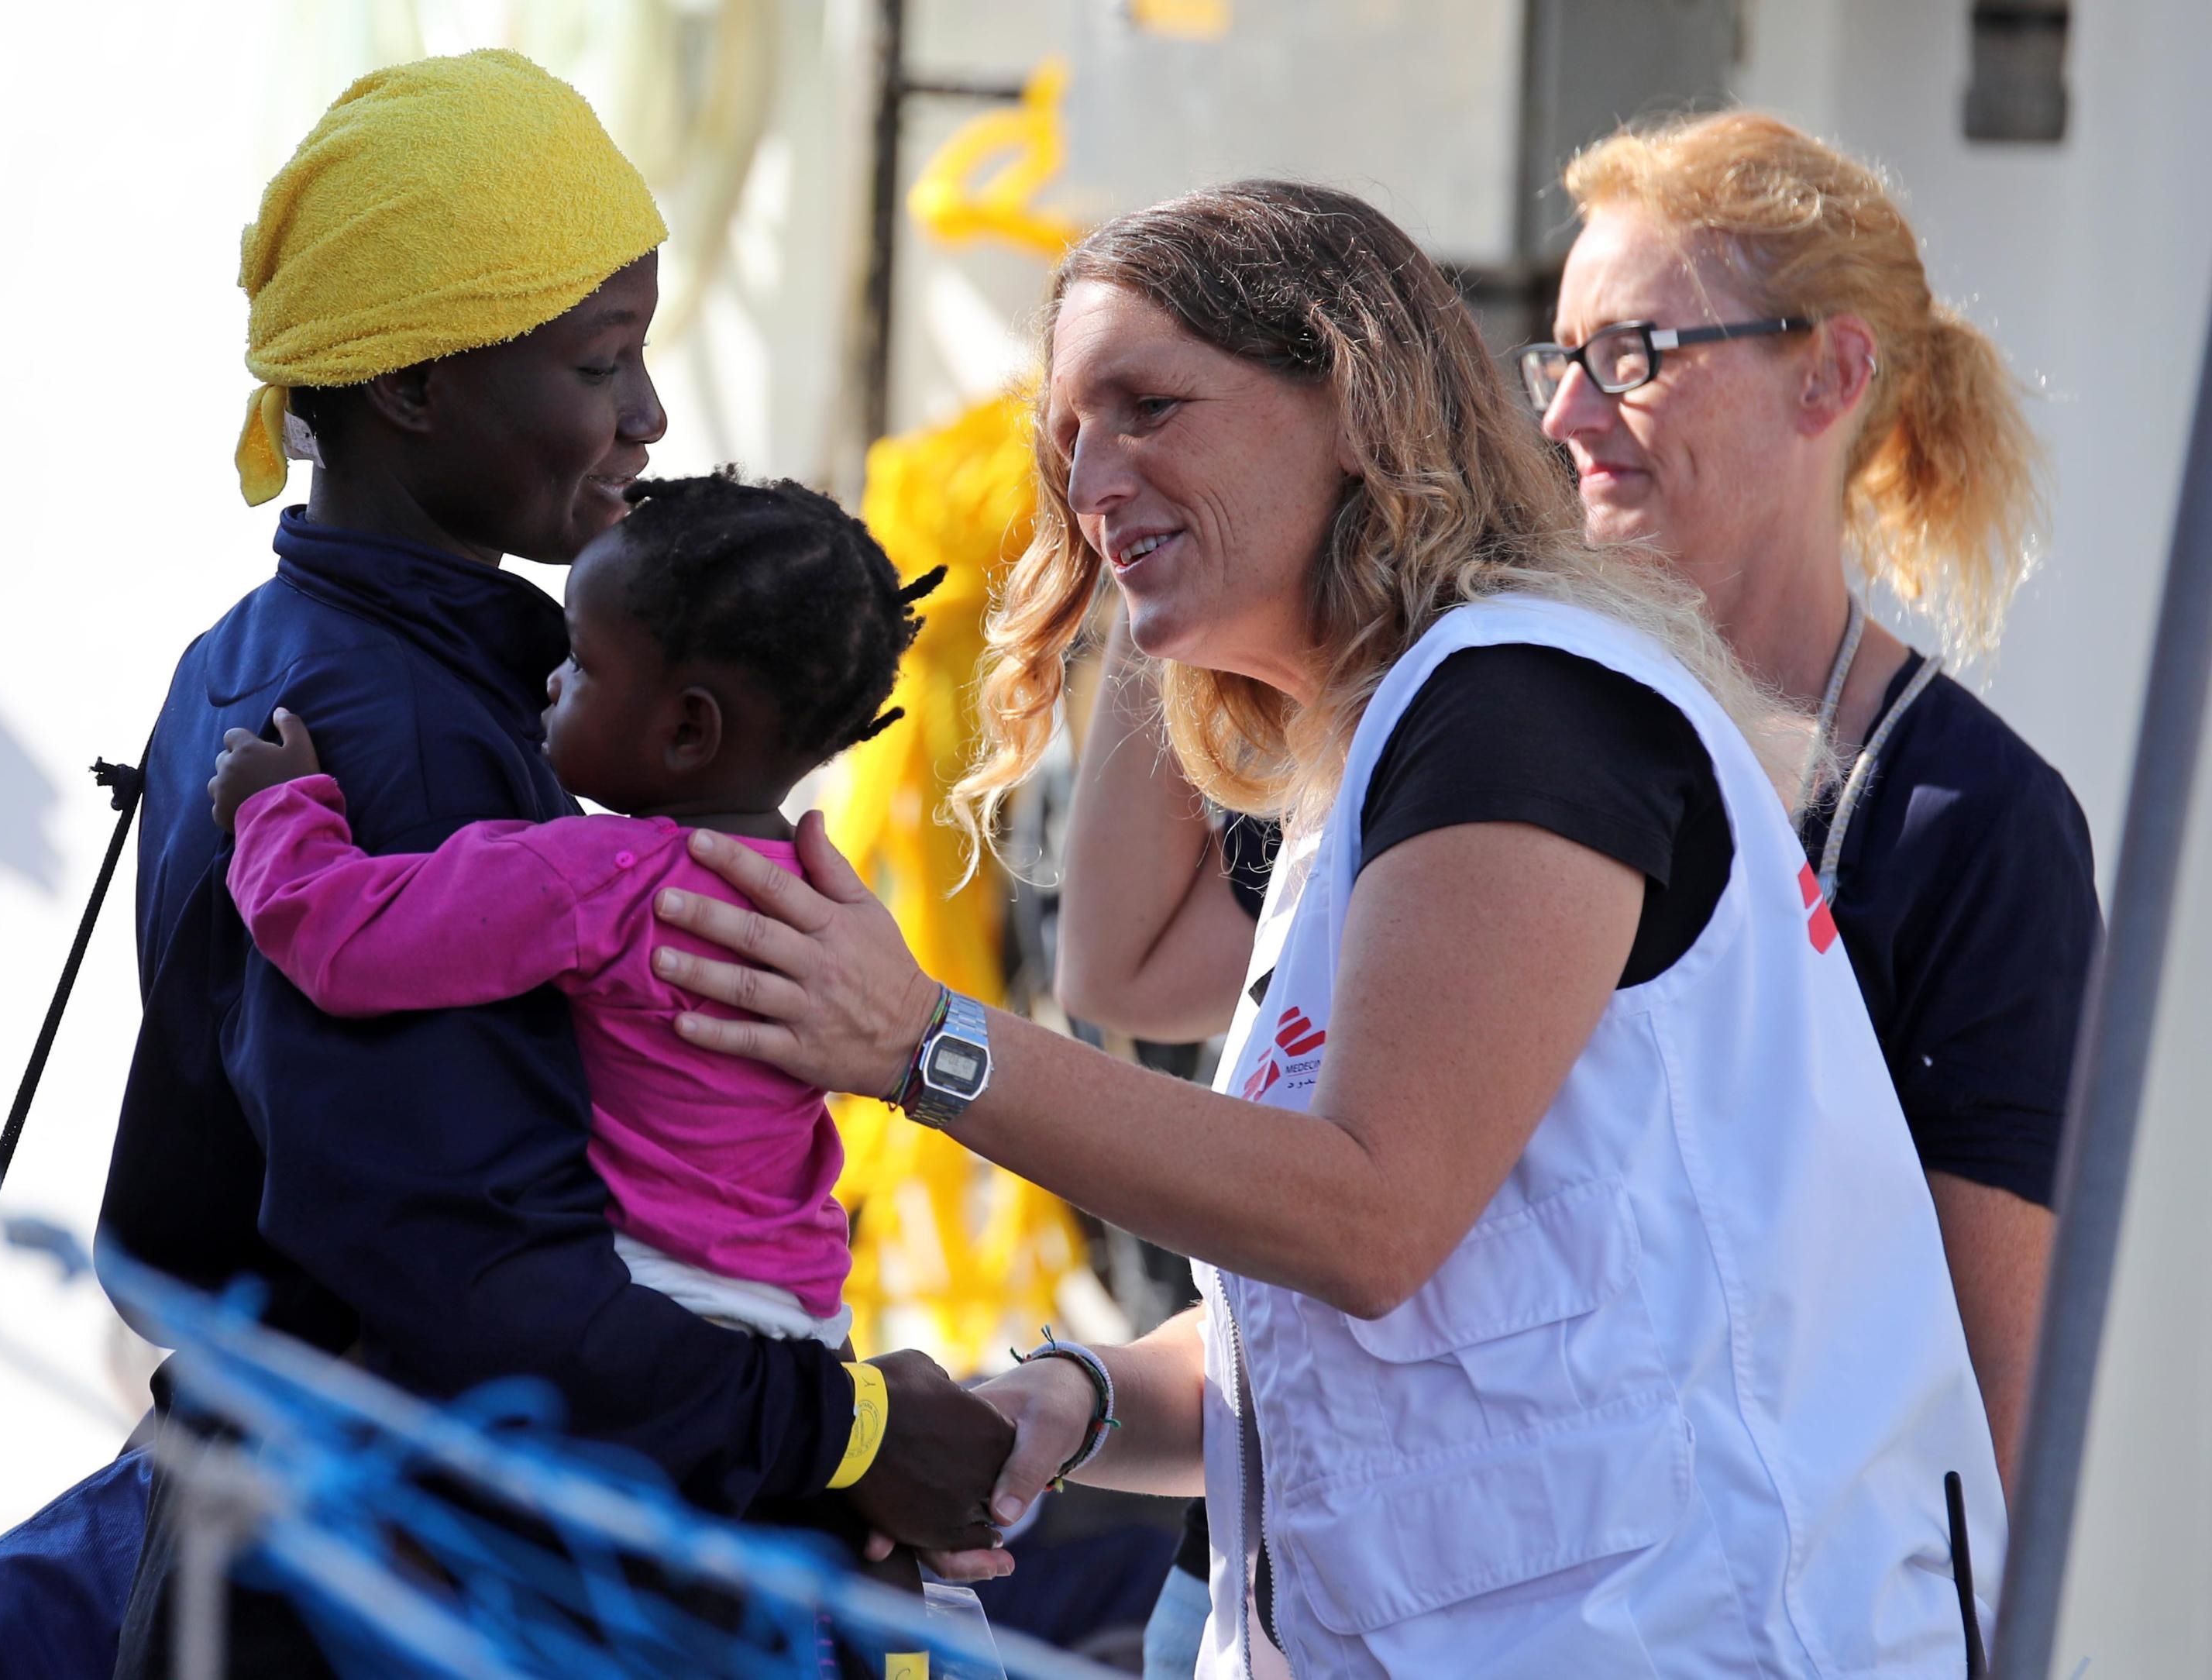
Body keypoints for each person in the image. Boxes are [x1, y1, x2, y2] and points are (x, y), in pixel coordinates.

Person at [642, 179, 2005, 1675]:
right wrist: (1074, 1398)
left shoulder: (1519, 702)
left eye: (1149, 407)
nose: (1086, 478)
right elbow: (1319, 1339)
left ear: (1356, 400)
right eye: (1067, 436)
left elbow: (1367, 1218)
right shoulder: (1373, 763)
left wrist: (924, 1043)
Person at [0, 51, 1008, 1680]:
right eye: (600, 360)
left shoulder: (284, 654)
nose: (648, 414)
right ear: (412, 388)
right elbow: (471, 1275)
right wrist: (845, 1427)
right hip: (410, 1570)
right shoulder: (402, 742)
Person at [1525, 111, 2098, 1492]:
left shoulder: (1973, 822)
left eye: (1631, 355)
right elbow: (1134, 963)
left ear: (1828, 374)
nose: (1565, 415)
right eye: (1562, 357)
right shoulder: (1514, 730)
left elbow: (1994, 1414)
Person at [206, 472, 939, 1355]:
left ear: (688, 731)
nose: (550, 681)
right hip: (807, 1309)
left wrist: (276, 808)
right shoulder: (817, 892)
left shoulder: (598, 877)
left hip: (664, 1305)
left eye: (583, 661)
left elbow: (343, 943)